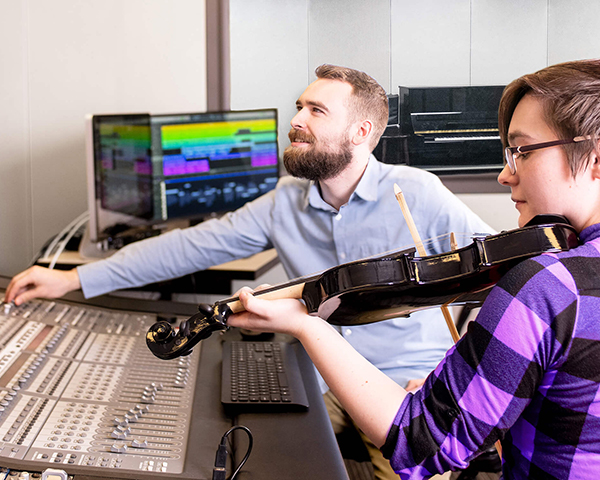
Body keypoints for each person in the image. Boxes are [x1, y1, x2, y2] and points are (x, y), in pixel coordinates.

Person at [5, 65, 491, 479]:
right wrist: (74, 280)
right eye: (300, 106)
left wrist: (452, 377)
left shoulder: (419, 193)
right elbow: (188, 246)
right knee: (255, 461)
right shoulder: (284, 201)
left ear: (361, 132)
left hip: (404, 387)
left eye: (316, 111)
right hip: (320, 377)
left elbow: (511, 278)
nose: (296, 121)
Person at [226, 59, 600, 479]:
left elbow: (419, 443)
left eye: (522, 151)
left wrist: (307, 324)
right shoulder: (557, 281)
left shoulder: (546, 285)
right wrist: (464, 388)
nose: (503, 175)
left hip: (410, 403)